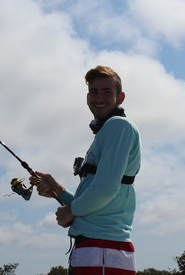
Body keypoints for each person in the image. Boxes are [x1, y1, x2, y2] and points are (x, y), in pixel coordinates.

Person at [30, 65, 141, 275]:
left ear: (121, 97)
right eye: (93, 91)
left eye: (107, 91)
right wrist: (59, 191)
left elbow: (106, 190)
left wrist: (69, 212)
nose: (99, 97)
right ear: (87, 96)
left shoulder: (118, 126)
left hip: (102, 251)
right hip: (96, 250)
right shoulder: (106, 131)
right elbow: (98, 198)